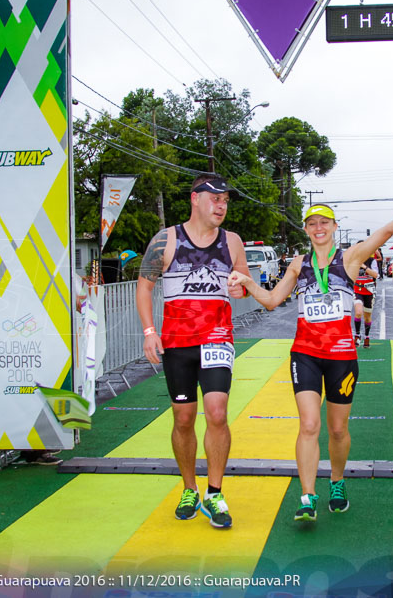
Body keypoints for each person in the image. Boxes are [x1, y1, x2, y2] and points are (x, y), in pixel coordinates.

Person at [229, 183, 393, 523]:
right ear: (306, 229)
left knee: (337, 430)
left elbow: (387, 231)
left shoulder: (350, 258)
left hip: (342, 357)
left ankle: (336, 481)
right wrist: (247, 282)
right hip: (305, 354)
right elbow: (272, 301)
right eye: (312, 223)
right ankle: (306, 496)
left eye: (324, 223)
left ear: (334, 228)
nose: (318, 228)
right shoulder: (297, 265)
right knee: (309, 424)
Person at [136, 173, 249, 529]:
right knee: (183, 418)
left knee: (217, 413)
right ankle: (190, 488)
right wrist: (149, 331)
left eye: (226, 201)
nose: (221, 206)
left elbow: (243, 283)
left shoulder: (232, 242)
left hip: (216, 338)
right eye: (215, 199)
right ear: (195, 199)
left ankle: (215, 492)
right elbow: (143, 288)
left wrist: (239, 287)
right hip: (177, 342)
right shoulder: (166, 239)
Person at [352, 256, 379, 348]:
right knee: (358, 312)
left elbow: (375, 275)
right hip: (357, 289)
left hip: (369, 291)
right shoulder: (354, 261)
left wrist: (364, 267)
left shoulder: (372, 261)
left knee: (367, 317)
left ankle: (367, 336)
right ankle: (357, 335)